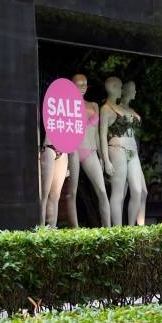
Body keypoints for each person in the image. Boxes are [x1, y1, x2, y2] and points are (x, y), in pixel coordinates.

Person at [64, 74, 110, 227]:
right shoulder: (67, 105)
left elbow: (97, 133)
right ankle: (75, 230)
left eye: (85, 84)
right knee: (72, 192)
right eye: (79, 84)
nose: (83, 86)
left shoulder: (94, 105)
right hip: (74, 149)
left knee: (102, 191)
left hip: (91, 150)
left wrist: (102, 157)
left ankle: (109, 230)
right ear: (72, 85)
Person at [99, 77, 146, 226]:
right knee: (118, 192)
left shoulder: (125, 108)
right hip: (117, 149)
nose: (121, 90)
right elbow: (102, 136)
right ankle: (117, 230)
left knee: (137, 191)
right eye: (119, 87)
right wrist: (105, 160)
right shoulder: (106, 108)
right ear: (113, 88)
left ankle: (131, 228)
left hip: (133, 152)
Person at [119, 80, 148, 225]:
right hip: (121, 151)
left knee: (143, 192)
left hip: (133, 152)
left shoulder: (132, 112)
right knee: (130, 192)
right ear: (125, 90)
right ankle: (131, 228)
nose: (135, 92)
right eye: (133, 89)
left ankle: (139, 227)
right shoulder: (116, 109)